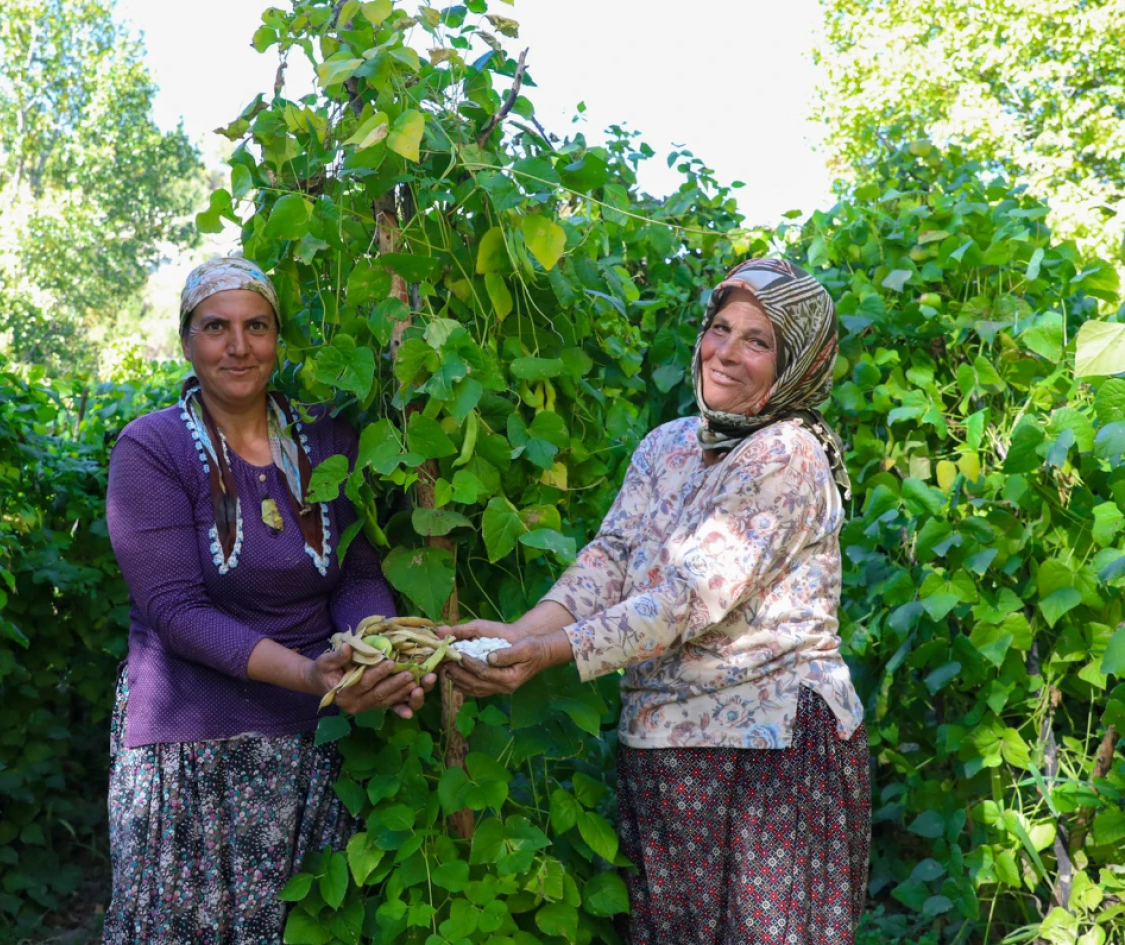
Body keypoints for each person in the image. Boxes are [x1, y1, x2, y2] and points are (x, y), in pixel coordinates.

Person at [447, 258, 870, 944]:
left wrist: (547, 654)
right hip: (666, 752)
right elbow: (610, 560)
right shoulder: (668, 446)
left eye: (757, 341)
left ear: (796, 363)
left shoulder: (787, 452)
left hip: (769, 757)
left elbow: (687, 599)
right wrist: (519, 634)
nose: (725, 352)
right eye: (719, 327)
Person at [101, 256, 433, 944]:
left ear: (278, 338)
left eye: (257, 326)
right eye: (216, 326)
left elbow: (353, 569)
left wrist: (373, 645)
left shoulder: (326, 437)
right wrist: (311, 674)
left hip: (308, 743)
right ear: (187, 339)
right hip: (192, 747)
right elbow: (175, 609)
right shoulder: (154, 447)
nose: (238, 345)